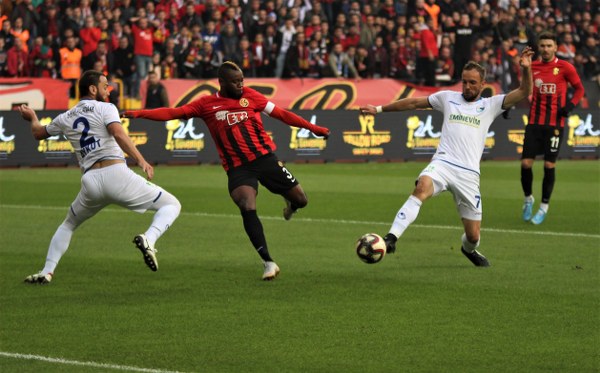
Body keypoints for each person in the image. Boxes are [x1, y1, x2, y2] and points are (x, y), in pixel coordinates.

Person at [123, 61, 330, 280]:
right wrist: (139, 114)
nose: (241, 84)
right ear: (221, 82)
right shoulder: (206, 104)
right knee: (247, 205)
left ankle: (291, 205)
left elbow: (282, 114)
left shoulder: (252, 96)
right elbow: (173, 112)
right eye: (235, 81)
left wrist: (313, 128)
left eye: (242, 80)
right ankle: (268, 262)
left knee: (301, 199)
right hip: (238, 168)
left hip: (265, 159)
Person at [359, 47, 534, 267]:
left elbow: (525, 91)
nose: (467, 86)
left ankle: (468, 250)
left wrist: (526, 70)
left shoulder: (491, 105)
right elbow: (413, 103)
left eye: (472, 83)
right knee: (421, 187)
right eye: (464, 81)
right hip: (442, 164)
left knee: (473, 236)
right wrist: (379, 109)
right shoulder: (447, 98)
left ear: (482, 85)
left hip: (468, 175)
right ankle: (391, 238)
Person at [19, 70, 181, 284]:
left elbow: (38, 132)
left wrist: (32, 117)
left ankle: (46, 271)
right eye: (105, 85)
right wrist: (141, 160)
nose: (108, 89)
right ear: (93, 89)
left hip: (91, 182)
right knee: (172, 205)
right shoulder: (106, 107)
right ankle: (149, 239)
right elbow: (118, 132)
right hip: (116, 175)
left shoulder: (66, 116)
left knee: (68, 225)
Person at [520, 32, 584, 225]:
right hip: (534, 123)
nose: (546, 49)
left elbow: (580, 89)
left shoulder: (565, 67)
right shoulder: (533, 66)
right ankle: (528, 199)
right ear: (539, 48)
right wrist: (506, 104)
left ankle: (544, 206)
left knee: (549, 165)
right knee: (525, 165)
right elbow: (524, 88)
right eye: (543, 46)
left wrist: (570, 106)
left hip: (555, 125)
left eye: (549, 45)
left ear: (556, 47)